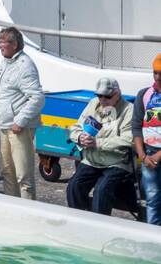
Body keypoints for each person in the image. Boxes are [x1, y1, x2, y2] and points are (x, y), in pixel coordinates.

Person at [67, 77, 136, 216]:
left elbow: (128, 140)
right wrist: (80, 137)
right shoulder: (93, 104)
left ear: (118, 94)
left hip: (116, 162)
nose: (103, 100)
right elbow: (76, 127)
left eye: (107, 96)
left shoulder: (129, 109)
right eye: (99, 95)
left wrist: (98, 143)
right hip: (91, 160)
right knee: (74, 187)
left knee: (101, 191)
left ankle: (100, 230)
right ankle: (79, 221)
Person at [0, 26, 45, 200]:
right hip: (5, 125)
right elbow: (3, 92)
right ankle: (12, 208)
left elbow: (37, 97)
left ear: (14, 45)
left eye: (3, 42)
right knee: (7, 171)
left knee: (23, 175)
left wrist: (20, 121)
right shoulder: (5, 62)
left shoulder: (25, 66)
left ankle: (28, 212)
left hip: (19, 128)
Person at [133, 55, 161, 225]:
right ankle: (154, 237)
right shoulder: (144, 94)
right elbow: (136, 126)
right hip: (148, 154)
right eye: (155, 73)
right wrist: (142, 155)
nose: (157, 77)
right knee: (152, 198)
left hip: (156, 156)